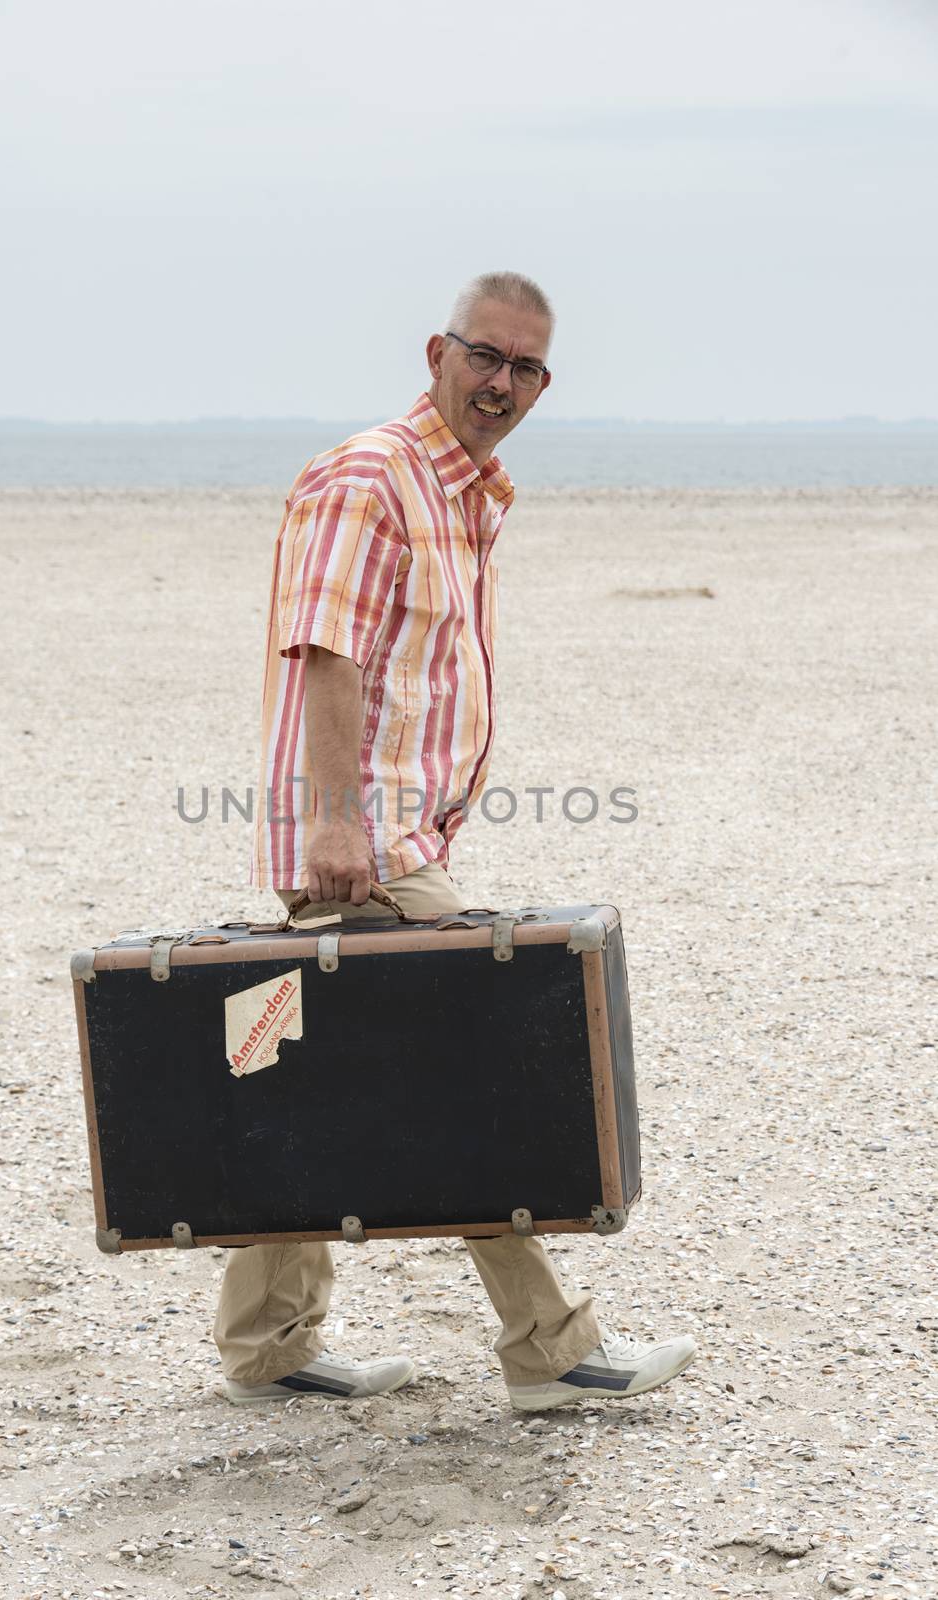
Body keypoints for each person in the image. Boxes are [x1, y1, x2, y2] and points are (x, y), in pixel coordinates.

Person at [213, 271, 697, 1411]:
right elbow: (321, 648)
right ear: (438, 351)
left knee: (313, 1077)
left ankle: (266, 1347)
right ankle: (551, 1347)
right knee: (471, 1059)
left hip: (395, 833)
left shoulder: (466, 493)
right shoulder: (371, 475)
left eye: (526, 367)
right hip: (365, 842)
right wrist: (338, 822)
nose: (503, 382)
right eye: (486, 357)